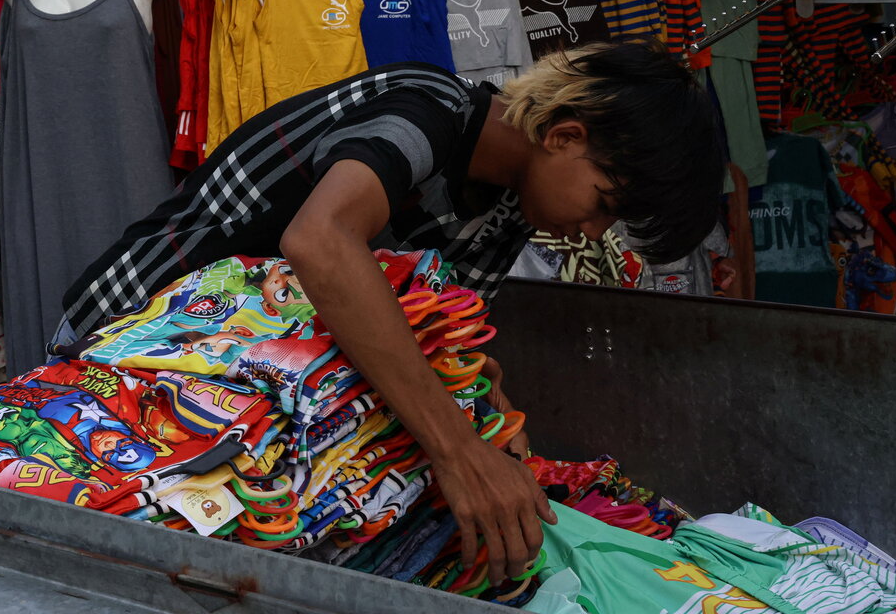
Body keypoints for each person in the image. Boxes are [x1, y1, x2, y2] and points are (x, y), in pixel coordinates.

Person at [57, 41, 722, 584]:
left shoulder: (506, 214)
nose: (592, 233)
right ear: (564, 134)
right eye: (604, 202)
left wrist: (494, 421)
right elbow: (320, 242)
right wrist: (460, 451)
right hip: (119, 354)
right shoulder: (427, 105)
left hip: (233, 404)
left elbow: (436, 346)